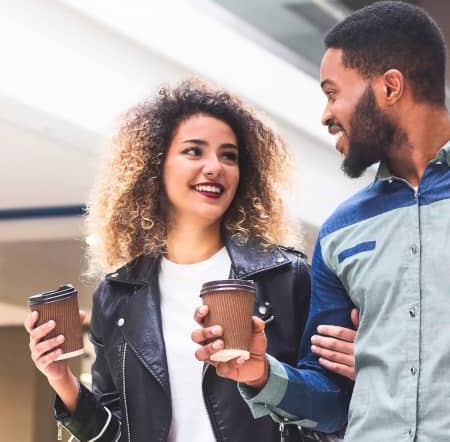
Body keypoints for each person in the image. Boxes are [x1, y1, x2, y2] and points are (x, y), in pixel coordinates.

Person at [25, 79, 356, 442]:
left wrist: (264, 375)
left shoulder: (285, 277)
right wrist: (61, 378)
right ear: (154, 166)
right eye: (194, 152)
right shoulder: (117, 293)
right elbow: (118, 434)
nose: (215, 167)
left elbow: (333, 410)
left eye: (229, 155)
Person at [193, 0, 450, 441]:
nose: (326, 115)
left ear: (390, 88)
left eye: (333, 93)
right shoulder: (340, 231)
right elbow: (331, 402)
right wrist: (260, 372)